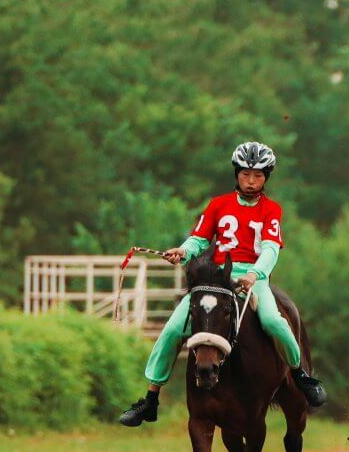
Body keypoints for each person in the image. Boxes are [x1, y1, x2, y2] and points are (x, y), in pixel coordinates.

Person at [119, 142, 327, 426]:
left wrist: (255, 274)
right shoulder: (218, 205)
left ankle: (300, 375)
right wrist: (183, 250)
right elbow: (199, 239)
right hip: (216, 279)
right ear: (236, 175)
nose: (250, 181)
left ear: (266, 177)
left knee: (275, 322)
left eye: (257, 176)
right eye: (245, 175)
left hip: (253, 279)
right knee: (171, 329)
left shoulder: (271, 210)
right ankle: (151, 398)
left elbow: (270, 249)